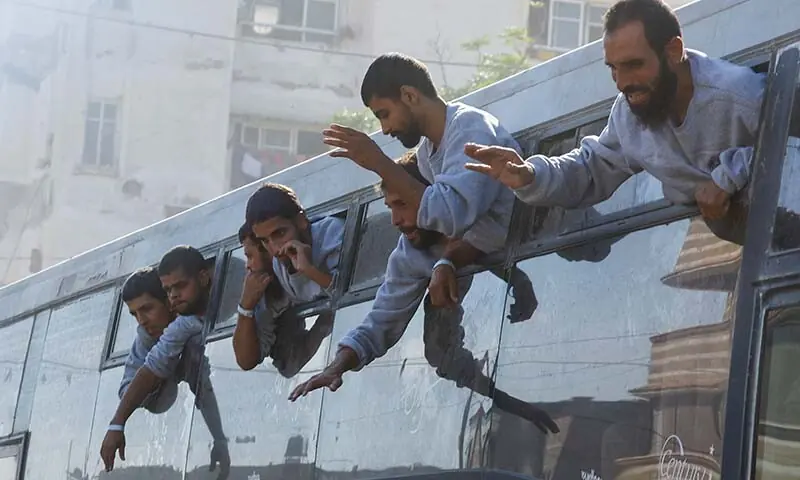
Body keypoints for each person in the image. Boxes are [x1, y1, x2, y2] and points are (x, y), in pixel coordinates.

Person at [290, 151, 559, 435]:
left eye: (402, 205)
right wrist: (336, 367)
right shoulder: (410, 254)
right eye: (389, 207)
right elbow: (380, 324)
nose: (394, 220)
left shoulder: (489, 210)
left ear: (433, 197)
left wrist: (518, 279)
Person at [463, 0, 765, 246]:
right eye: (613, 69)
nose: (622, 83)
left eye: (634, 65)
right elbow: (590, 169)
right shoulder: (629, 114)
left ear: (673, 51)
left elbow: (789, 144)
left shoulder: (740, 94)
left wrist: (730, 175)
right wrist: (530, 174)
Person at [319, 51, 536, 320]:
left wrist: (379, 162)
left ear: (409, 95)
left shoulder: (470, 128)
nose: (385, 129)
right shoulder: (426, 157)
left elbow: (451, 214)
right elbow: (454, 233)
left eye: (384, 114)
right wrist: (446, 262)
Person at [99, 254, 230, 479]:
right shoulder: (145, 337)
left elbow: (203, 389)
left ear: (170, 301)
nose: (141, 320)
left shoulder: (190, 323)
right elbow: (128, 386)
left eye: (147, 309)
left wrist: (117, 424)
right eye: (134, 314)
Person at [232, 222, 333, 377]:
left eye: (250, 256)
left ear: (268, 250)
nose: (248, 266)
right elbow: (246, 360)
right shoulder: (266, 295)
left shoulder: (314, 260)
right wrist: (246, 306)